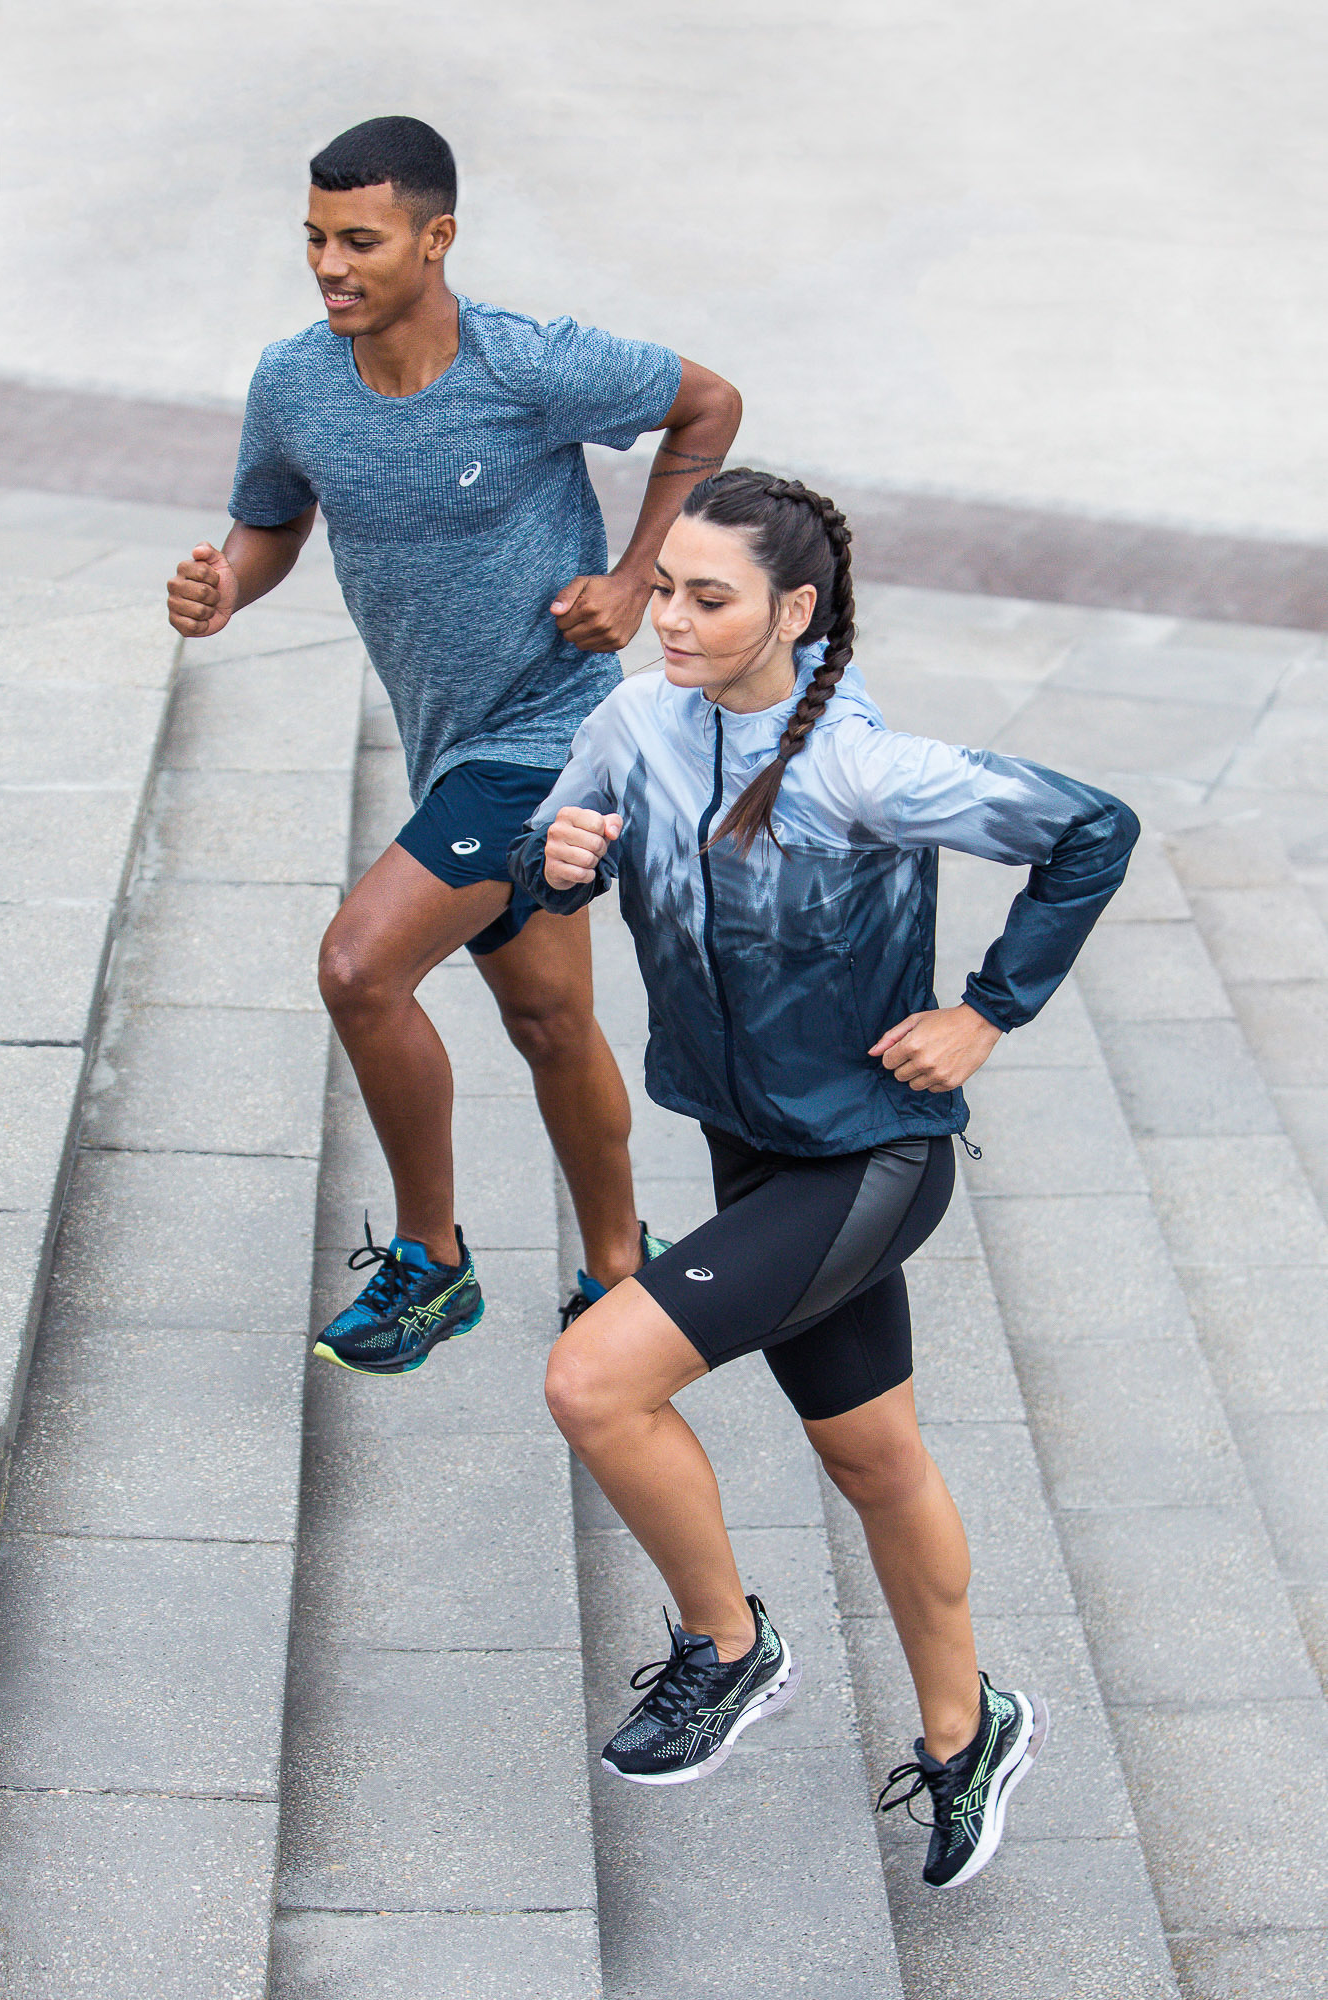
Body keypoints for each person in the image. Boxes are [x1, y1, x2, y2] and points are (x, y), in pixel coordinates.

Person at [508, 468, 1139, 1888]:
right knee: (870, 1454)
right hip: (751, 1150)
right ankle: (970, 1729)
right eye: (662, 585)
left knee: (593, 1381)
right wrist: (555, 867)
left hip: (865, 1159)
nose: (664, 615)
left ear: (791, 610)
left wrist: (988, 1007)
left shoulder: (867, 770)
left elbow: (1092, 830)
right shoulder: (634, 724)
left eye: (704, 597)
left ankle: (730, 1646)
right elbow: (559, 869)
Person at [165, 116, 741, 1372]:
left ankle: (433, 1264)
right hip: (450, 746)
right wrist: (226, 589)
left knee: (360, 968)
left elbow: (708, 401)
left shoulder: (529, 365)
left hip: (553, 740)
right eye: (314, 238)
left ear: (435, 239)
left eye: (359, 240)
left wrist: (638, 576)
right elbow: (271, 522)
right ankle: (617, 1271)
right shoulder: (294, 381)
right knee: (547, 1021)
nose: (330, 264)